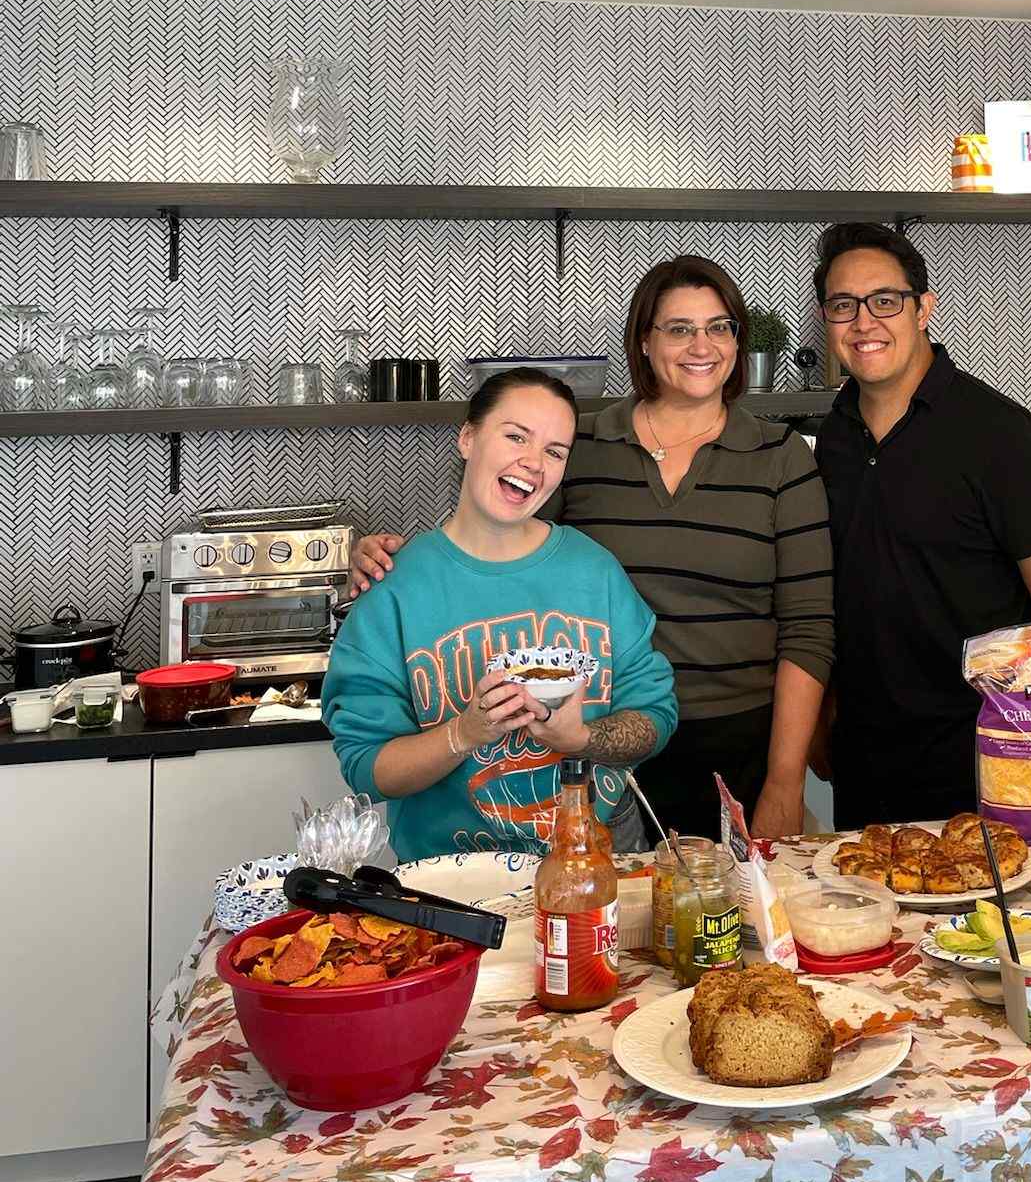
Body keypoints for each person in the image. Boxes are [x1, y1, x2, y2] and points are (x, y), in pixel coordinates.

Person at [348, 257, 834, 841]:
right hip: (591, 741)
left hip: (733, 741)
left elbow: (808, 627)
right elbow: (499, 532)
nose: (702, 345)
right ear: (645, 341)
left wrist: (785, 782)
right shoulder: (581, 441)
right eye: (679, 328)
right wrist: (393, 562)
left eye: (719, 327)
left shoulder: (779, 455)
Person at [323, 367, 677, 862]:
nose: (533, 462)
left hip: (600, 856)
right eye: (516, 436)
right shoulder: (394, 588)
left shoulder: (594, 572)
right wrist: (464, 734)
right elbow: (366, 769)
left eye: (555, 451)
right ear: (468, 438)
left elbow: (656, 717)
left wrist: (579, 737)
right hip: (453, 875)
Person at [810, 220, 1031, 829]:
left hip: (986, 749)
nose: (864, 322)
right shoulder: (832, 437)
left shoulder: (996, 431)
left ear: (923, 308)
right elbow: (836, 593)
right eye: (843, 305)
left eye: (885, 301)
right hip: (864, 753)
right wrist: (823, 716)